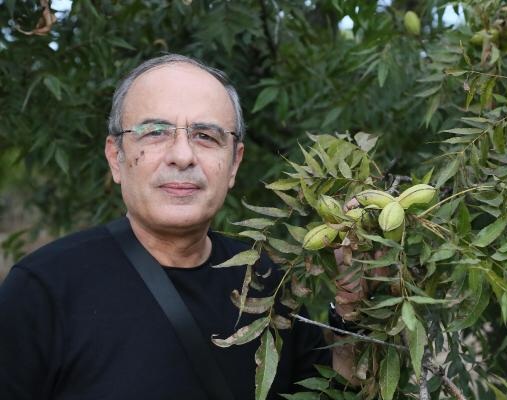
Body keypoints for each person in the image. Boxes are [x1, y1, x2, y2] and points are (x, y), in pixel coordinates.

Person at [0, 54, 338, 400]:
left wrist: (350, 308)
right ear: (116, 157)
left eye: (205, 136)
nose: (182, 156)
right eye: (155, 133)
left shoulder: (268, 284)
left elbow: (333, 389)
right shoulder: (43, 291)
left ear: (234, 163)